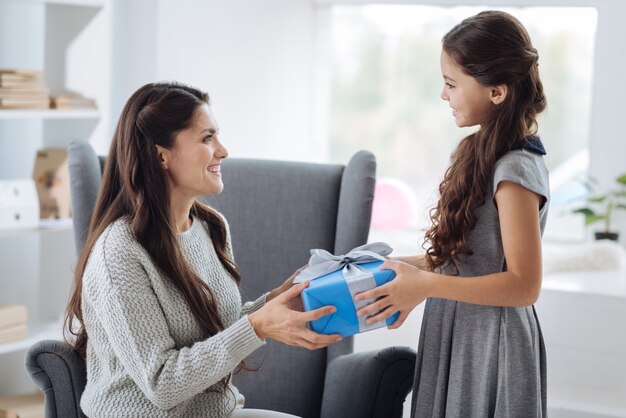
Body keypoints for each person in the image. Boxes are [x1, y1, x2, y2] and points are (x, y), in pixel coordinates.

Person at [64, 81, 341, 418]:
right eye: (207, 138)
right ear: (161, 154)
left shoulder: (211, 228)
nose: (222, 151)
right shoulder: (119, 252)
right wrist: (258, 326)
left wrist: (275, 303)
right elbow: (162, 384)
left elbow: (215, 333)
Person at [354, 10, 549, 417]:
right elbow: (468, 263)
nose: (444, 95)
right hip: (457, 331)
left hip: (491, 343)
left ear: (497, 92)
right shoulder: (475, 152)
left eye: (451, 83)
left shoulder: (515, 169)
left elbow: (523, 285)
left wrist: (423, 285)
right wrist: (395, 269)